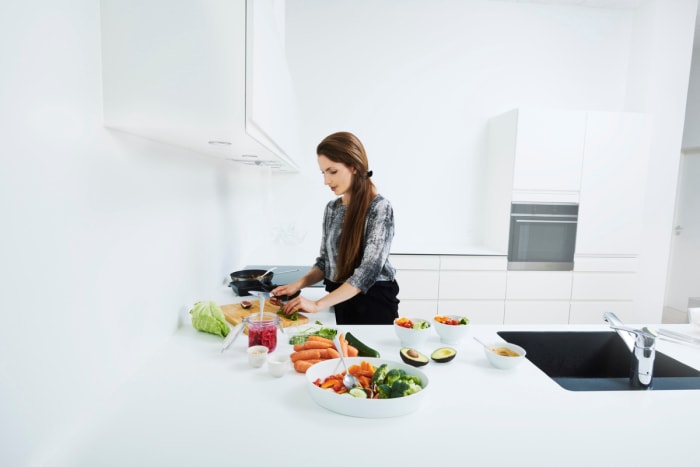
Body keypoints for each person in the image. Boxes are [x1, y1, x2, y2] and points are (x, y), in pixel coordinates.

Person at [272, 131, 399, 324]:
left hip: (374, 306)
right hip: (340, 302)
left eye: (332, 171)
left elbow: (368, 272)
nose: (326, 181)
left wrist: (316, 305)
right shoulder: (332, 208)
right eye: (323, 173)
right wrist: (297, 285)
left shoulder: (380, 208)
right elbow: (325, 262)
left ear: (354, 167)